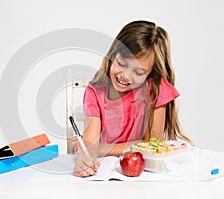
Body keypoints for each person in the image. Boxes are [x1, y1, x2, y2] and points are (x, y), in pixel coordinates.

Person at [72, 20, 193, 177]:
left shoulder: (156, 90)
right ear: (112, 55)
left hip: (146, 175)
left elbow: (152, 146)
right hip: (104, 172)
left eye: (139, 72)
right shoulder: (95, 91)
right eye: (121, 63)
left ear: (150, 73)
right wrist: (85, 157)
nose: (126, 76)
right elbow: (89, 145)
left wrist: (102, 148)